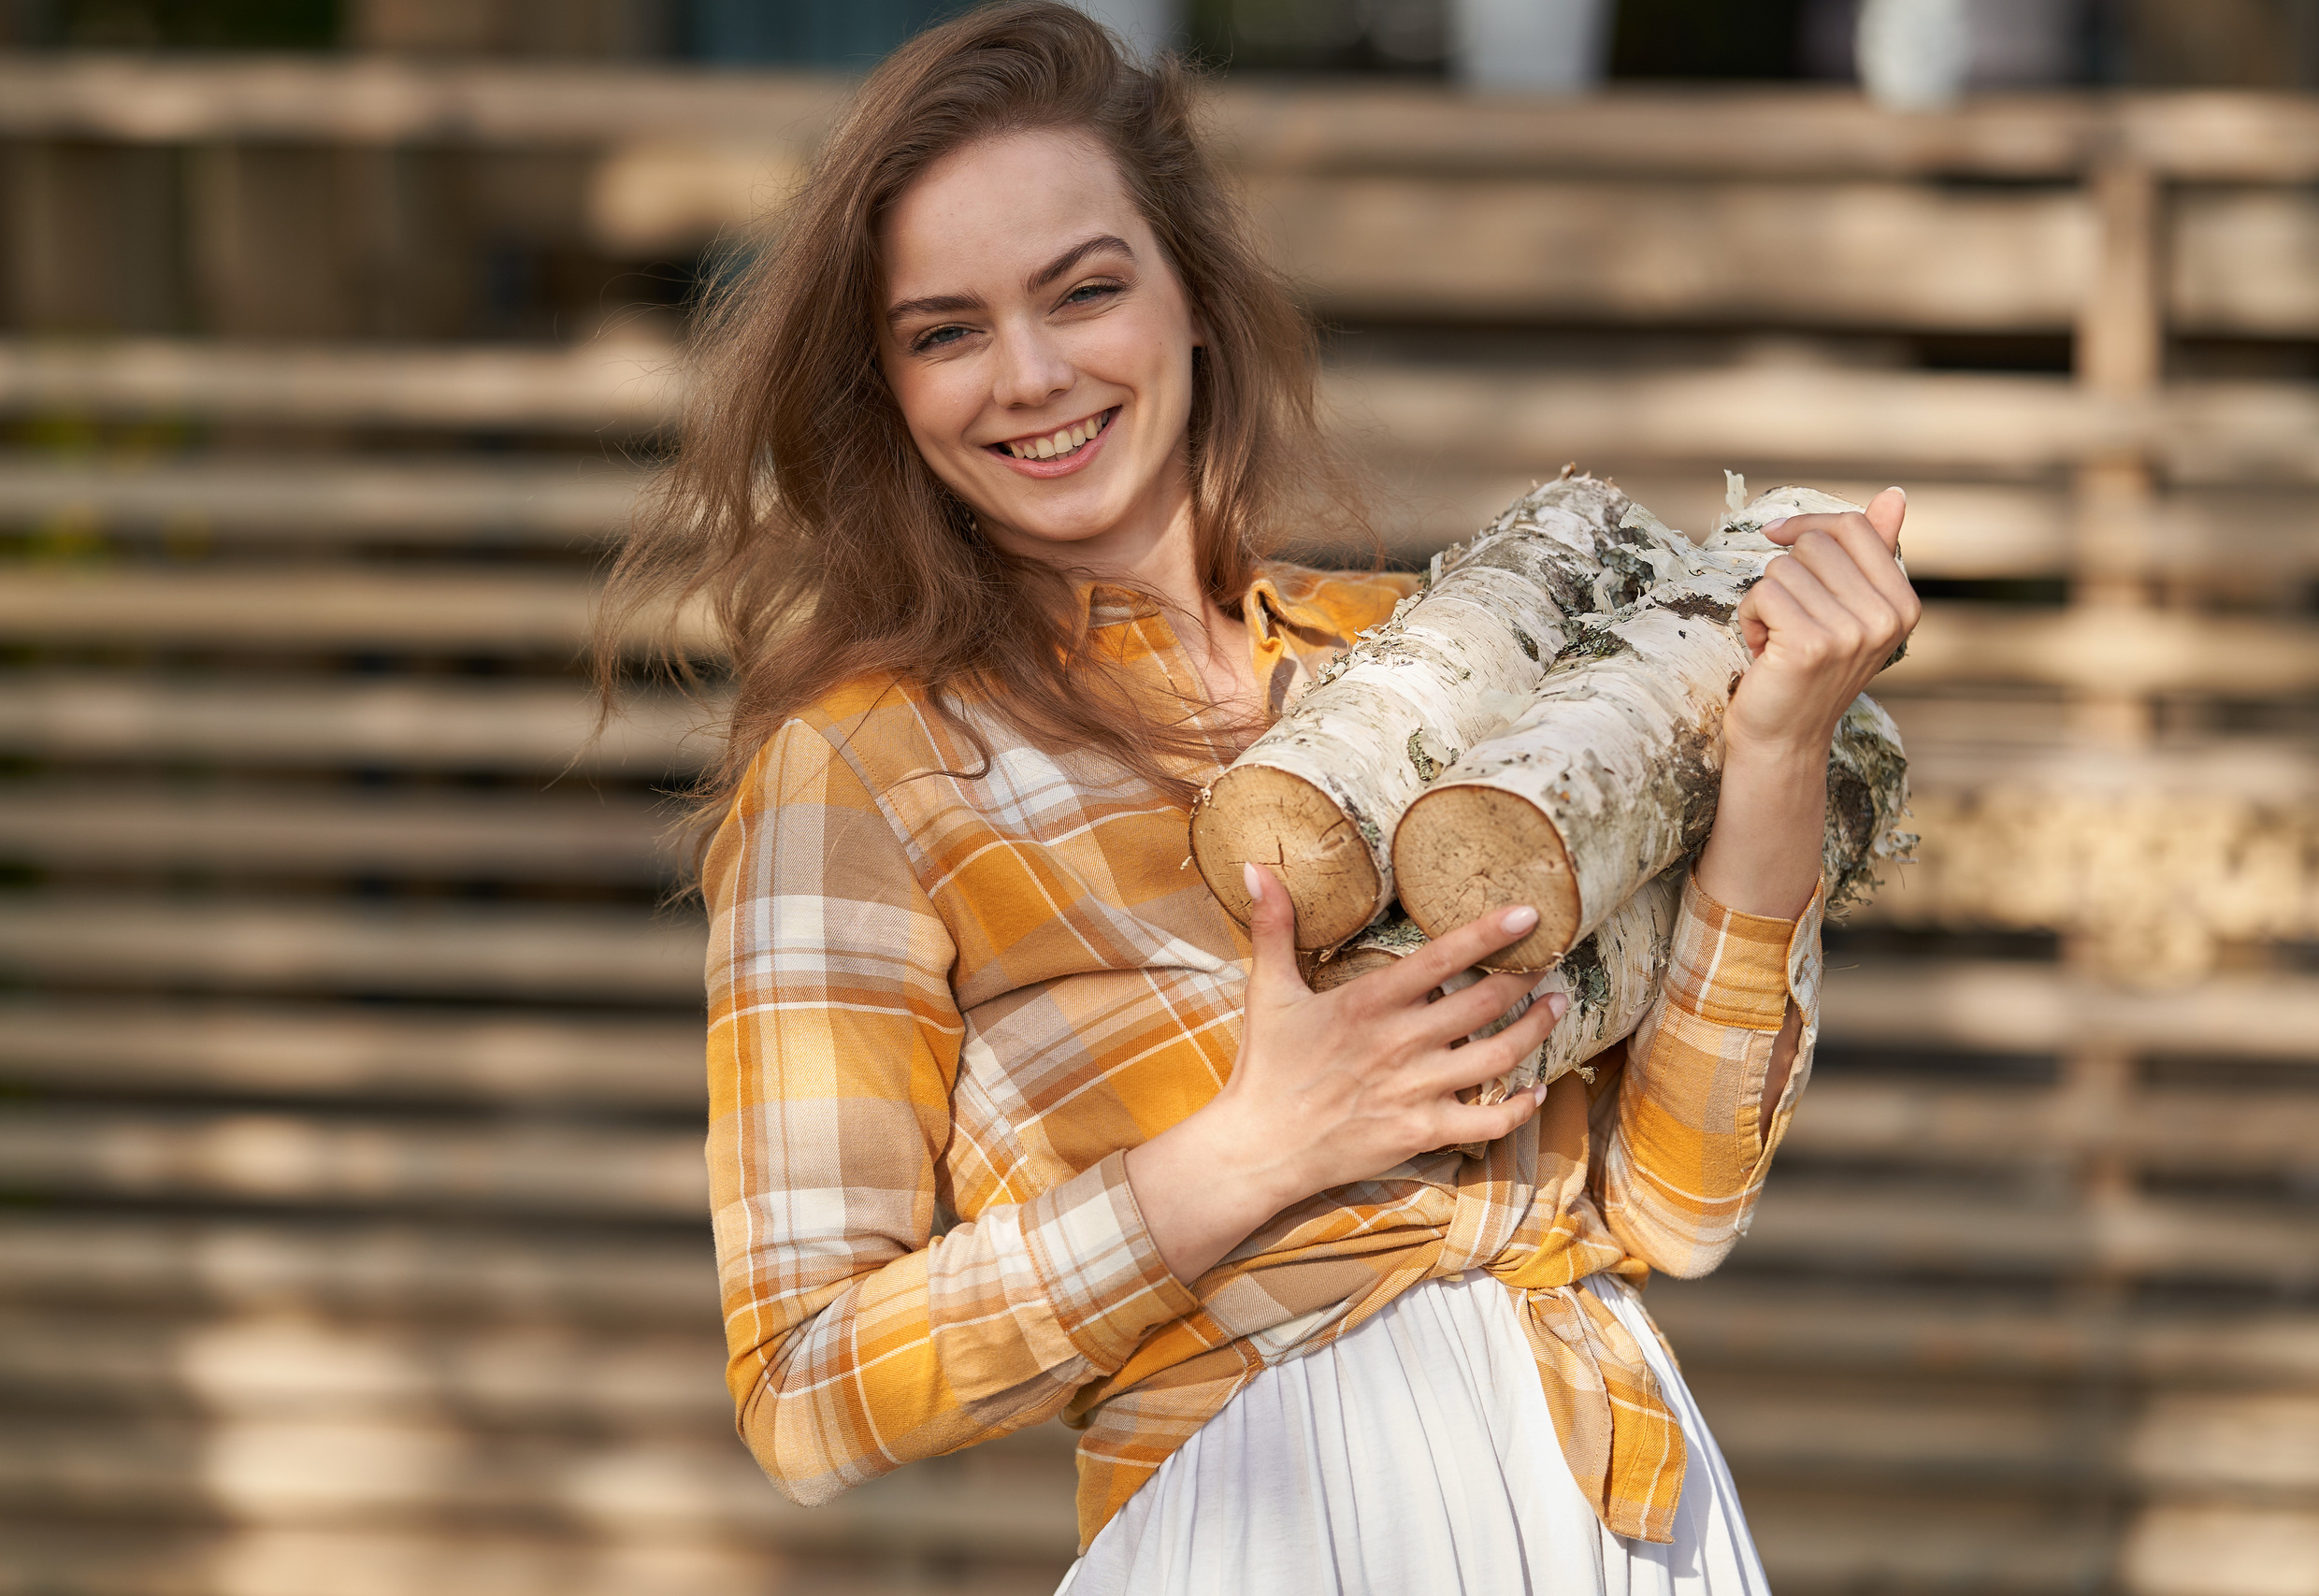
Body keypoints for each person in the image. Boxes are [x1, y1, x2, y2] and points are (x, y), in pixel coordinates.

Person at [596, 6, 1922, 1591]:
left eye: (1085, 291)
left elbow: (1674, 1204)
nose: (1028, 376)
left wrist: (1773, 758)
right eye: (944, 330)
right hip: (1264, 1532)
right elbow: (807, 1391)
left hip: (1623, 1507)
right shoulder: (867, 762)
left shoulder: (1433, 665)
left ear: (1193, 301)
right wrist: (1249, 1153)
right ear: (883, 383)